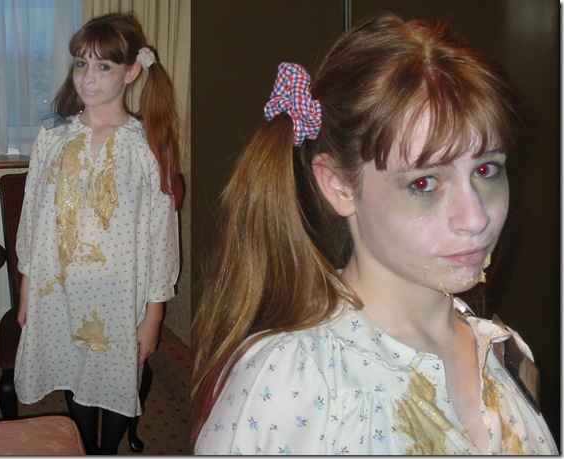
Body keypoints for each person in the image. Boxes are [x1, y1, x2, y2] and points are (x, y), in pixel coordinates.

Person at [191, 13, 557, 455]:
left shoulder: (505, 352)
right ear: (339, 186)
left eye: (486, 170)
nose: (475, 218)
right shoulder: (294, 382)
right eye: (424, 182)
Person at [14, 13, 182, 455]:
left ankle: (109, 451)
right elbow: (33, 215)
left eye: (103, 66)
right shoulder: (52, 137)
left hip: (120, 292)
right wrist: (27, 287)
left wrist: (154, 314)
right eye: (81, 64)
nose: (88, 77)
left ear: (131, 72)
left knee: (118, 376)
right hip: (59, 288)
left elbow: (161, 234)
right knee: (76, 371)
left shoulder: (147, 144)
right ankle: (86, 447)